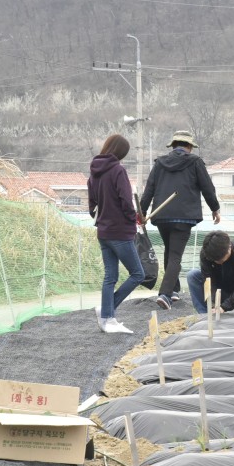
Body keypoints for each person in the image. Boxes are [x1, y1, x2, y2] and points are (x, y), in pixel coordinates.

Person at [139, 130, 220, 311]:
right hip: (184, 216)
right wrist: (215, 208)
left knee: (170, 252)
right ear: (189, 147)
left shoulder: (160, 164)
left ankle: (174, 289)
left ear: (173, 145)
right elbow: (207, 187)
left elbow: (149, 189)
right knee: (175, 255)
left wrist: (142, 212)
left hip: (161, 214)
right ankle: (165, 295)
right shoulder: (195, 162)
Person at [88, 134, 144, 335]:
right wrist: (134, 218)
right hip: (120, 232)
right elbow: (126, 202)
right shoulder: (118, 171)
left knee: (110, 276)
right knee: (138, 274)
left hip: (103, 232)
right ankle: (107, 313)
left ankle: (107, 317)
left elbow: (91, 207)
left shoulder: (94, 173)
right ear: (120, 153)